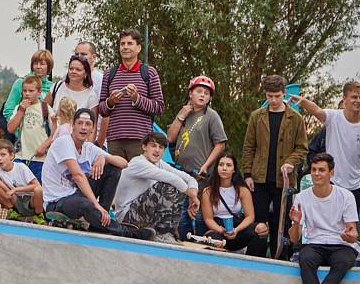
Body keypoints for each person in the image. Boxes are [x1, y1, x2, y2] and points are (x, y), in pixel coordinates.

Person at [41, 109, 151, 239]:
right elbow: (77, 175)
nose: (83, 127)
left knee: (112, 168)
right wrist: (96, 204)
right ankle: (125, 232)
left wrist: (104, 158)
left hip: (75, 195)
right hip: (57, 202)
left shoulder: (89, 148)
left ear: (93, 128)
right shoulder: (64, 142)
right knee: (86, 204)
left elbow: (124, 163)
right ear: (73, 126)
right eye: (80, 123)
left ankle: (99, 222)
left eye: (87, 124)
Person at [291, 81, 360, 242]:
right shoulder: (334, 117)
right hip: (334, 182)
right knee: (332, 225)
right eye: (354, 97)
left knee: (355, 231)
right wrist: (303, 102)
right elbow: (317, 111)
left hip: (356, 185)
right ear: (345, 99)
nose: (358, 100)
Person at [290, 153, 360, 284]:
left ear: (332, 173)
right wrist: (296, 223)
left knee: (344, 260)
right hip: (315, 243)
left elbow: (354, 233)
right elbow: (294, 238)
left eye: (321, 170)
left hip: (340, 244)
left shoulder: (346, 196)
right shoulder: (301, 198)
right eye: (313, 170)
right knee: (305, 258)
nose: (316, 173)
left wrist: (349, 235)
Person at [242, 75, 308, 255]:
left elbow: (302, 148)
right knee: (259, 224)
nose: (273, 100)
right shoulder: (257, 117)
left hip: (284, 182)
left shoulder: (296, 118)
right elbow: (249, 146)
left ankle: (281, 259)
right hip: (259, 178)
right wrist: (247, 174)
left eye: (277, 96)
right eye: (269, 96)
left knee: (282, 224)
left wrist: (290, 162)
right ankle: (256, 259)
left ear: (284, 93)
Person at [167, 75, 228, 240]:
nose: (202, 95)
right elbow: (170, 138)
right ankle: (180, 242)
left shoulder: (211, 116)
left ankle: (199, 244)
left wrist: (207, 165)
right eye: (199, 91)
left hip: (201, 174)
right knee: (180, 212)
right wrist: (180, 116)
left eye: (206, 93)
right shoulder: (184, 114)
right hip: (180, 171)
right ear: (190, 94)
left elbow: (220, 144)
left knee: (198, 213)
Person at [113, 132, 199, 244]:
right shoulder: (138, 163)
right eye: (153, 146)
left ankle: (169, 232)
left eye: (161, 147)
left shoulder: (160, 163)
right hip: (127, 217)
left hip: (144, 216)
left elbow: (188, 178)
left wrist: (194, 194)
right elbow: (173, 179)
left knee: (179, 187)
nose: (157, 150)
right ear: (144, 147)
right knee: (168, 185)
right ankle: (163, 233)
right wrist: (192, 196)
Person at [99, 28, 165, 160]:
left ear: (139, 48)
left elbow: (159, 107)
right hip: (115, 140)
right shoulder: (109, 74)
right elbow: (101, 109)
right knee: (117, 179)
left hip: (141, 140)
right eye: (122, 44)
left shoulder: (149, 73)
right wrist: (110, 102)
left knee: (139, 179)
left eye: (130, 43)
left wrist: (137, 99)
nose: (125, 47)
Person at [200, 153, 268, 257]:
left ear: (234, 169)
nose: (224, 168)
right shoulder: (208, 191)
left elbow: (250, 216)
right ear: (216, 168)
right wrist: (221, 230)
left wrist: (236, 230)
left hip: (237, 226)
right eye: (221, 164)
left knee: (260, 231)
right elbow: (208, 219)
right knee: (214, 240)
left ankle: (252, 266)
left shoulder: (242, 190)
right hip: (217, 227)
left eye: (228, 165)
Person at [7, 76, 56, 181]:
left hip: (40, 158)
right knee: (20, 187)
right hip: (21, 156)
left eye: (31, 91)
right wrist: (21, 111)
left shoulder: (46, 109)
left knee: (38, 189)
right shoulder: (18, 108)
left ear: (39, 92)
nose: (27, 93)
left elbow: (55, 133)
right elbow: (10, 129)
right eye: (25, 91)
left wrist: (45, 145)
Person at [0, 138, 44, 219]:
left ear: (11, 156)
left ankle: (39, 216)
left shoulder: (20, 167)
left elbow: (37, 185)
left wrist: (16, 190)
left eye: (3, 155)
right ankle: (12, 211)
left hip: (29, 200)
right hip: (15, 200)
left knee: (38, 190)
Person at [46, 54, 99, 138]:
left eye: (78, 69)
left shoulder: (91, 95)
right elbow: (43, 109)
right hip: (52, 141)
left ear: (85, 73)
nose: (73, 71)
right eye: (71, 68)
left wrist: (87, 147)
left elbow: (93, 125)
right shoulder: (57, 87)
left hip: (77, 144)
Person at [2, 49, 55, 121]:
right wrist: (18, 129)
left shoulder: (52, 87)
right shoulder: (21, 83)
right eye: (35, 64)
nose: (38, 67)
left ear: (49, 66)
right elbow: (8, 111)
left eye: (42, 64)